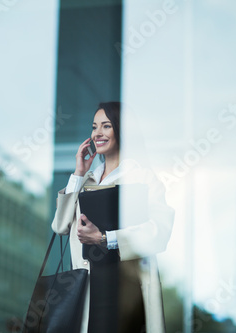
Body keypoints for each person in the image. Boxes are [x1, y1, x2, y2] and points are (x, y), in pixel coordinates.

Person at [51, 102, 175, 333]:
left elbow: (159, 231)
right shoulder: (86, 180)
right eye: (94, 126)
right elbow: (60, 226)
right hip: (88, 288)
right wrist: (78, 173)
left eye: (106, 126)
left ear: (121, 130)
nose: (98, 133)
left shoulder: (143, 178)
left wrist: (104, 238)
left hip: (125, 290)